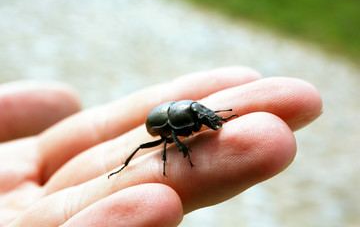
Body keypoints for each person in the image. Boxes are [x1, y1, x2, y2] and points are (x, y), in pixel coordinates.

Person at [0, 67, 322, 226]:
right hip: (161, 123)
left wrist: (217, 115)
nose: (203, 117)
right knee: (147, 148)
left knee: (199, 118)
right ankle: (124, 167)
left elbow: (199, 113)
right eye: (198, 114)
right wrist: (177, 151)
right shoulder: (169, 128)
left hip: (174, 113)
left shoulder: (191, 111)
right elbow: (174, 135)